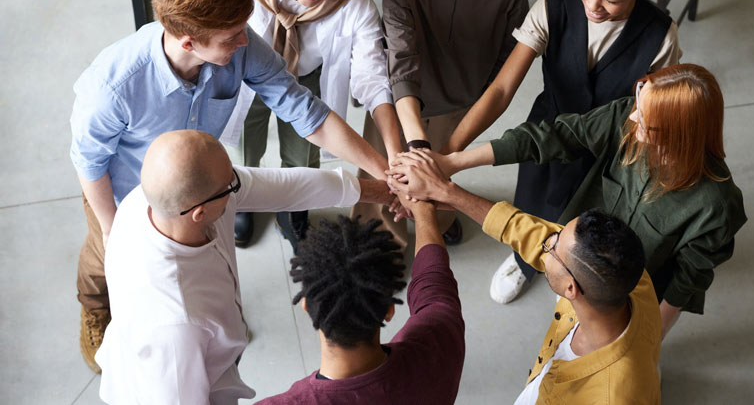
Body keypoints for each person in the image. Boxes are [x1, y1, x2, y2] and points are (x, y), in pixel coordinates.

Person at [70, 0, 388, 373]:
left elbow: (304, 111)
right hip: (123, 190)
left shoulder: (239, 43)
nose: (245, 41)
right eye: (232, 36)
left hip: (199, 185)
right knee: (102, 262)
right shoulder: (113, 85)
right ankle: (94, 308)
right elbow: (88, 162)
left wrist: (384, 170)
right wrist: (115, 234)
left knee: (197, 264)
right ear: (187, 41)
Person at [439, 0, 682, 304]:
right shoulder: (555, 4)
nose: (593, 5)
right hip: (547, 131)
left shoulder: (660, 36)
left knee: (591, 222)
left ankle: (574, 270)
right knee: (535, 203)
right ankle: (525, 259)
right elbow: (500, 90)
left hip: (611, 146)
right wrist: (448, 156)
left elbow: (655, 114)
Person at [392, 64, 747, 338]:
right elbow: (553, 137)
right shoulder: (628, 116)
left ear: (680, 136)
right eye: (640, 101)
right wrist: (452, 162)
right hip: (572, 254)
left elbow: (686, 282)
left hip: (629, 295)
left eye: (649, 124)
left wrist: (648, 339)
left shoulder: (716, 206)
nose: (634, 117)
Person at [95, 130, 392, 404]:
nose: (237, 184)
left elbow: (285, 187)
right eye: (230, 184)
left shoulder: (158, 200)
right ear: (200, 212)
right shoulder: (177, 325)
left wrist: (383, 191)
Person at [388, 152, 661, 403]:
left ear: (571, 288)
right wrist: (446, 192)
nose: (546, 241)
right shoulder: (629, 278)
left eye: (552, 247)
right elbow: (529, 232)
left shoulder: (612, 396)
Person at [361, 0, 529, 249]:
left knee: (441, 177)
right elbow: (401, 60)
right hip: (403, 101)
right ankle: (382, 244)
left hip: (461, 101)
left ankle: (443, 216)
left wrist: (443, 149)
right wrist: (417, 144)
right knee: (387, 173)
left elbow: (507, 61)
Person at [222, 0, 403, 249]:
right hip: (250, 78)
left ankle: (294, 207)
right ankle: (244, 196)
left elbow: (372, 75)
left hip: (308, 78)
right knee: (247, 143)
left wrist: (394, 157)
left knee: (304, 155)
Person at [257, 191, 465, 403]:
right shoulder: (442, 339)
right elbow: (434, 282)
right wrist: (424, 212)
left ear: (307, 307)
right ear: (389, 310)